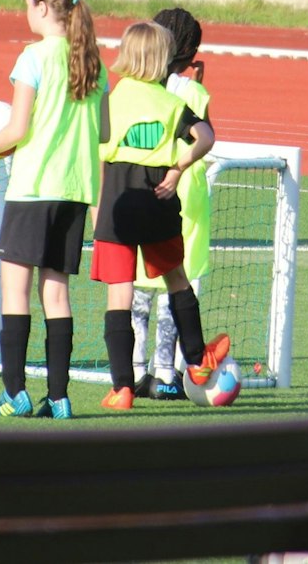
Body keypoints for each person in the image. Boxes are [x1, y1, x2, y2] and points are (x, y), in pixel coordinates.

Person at [0, 0, 105, 419]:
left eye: (27, 3)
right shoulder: (92, 62)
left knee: (14, 291)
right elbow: (103, 133)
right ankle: (59, 397)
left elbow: (18, 128)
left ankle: (15, 391)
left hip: (33, 187)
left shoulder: (33, 58)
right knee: (57, 294)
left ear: (42, 7)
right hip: (76, 189)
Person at [95, 21, 229, 410]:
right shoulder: (172, 104)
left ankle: (121, 388)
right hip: (158, 195)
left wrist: (95, 207)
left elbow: (95, 151)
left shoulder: (110, 101)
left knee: (119, 292)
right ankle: (196, 362)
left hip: (118, 197)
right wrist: (177, 168)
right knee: (177, 280)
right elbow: (205, 136)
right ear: (162, 60)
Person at [128, 6, 214, 400]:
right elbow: (205, 136)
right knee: (174, 285)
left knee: (138, 289)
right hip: (185, 195)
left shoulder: (137, 85)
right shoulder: (194, 91)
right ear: (191, 50)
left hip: (144, 188)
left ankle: (132, 370)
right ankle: (167, 372)